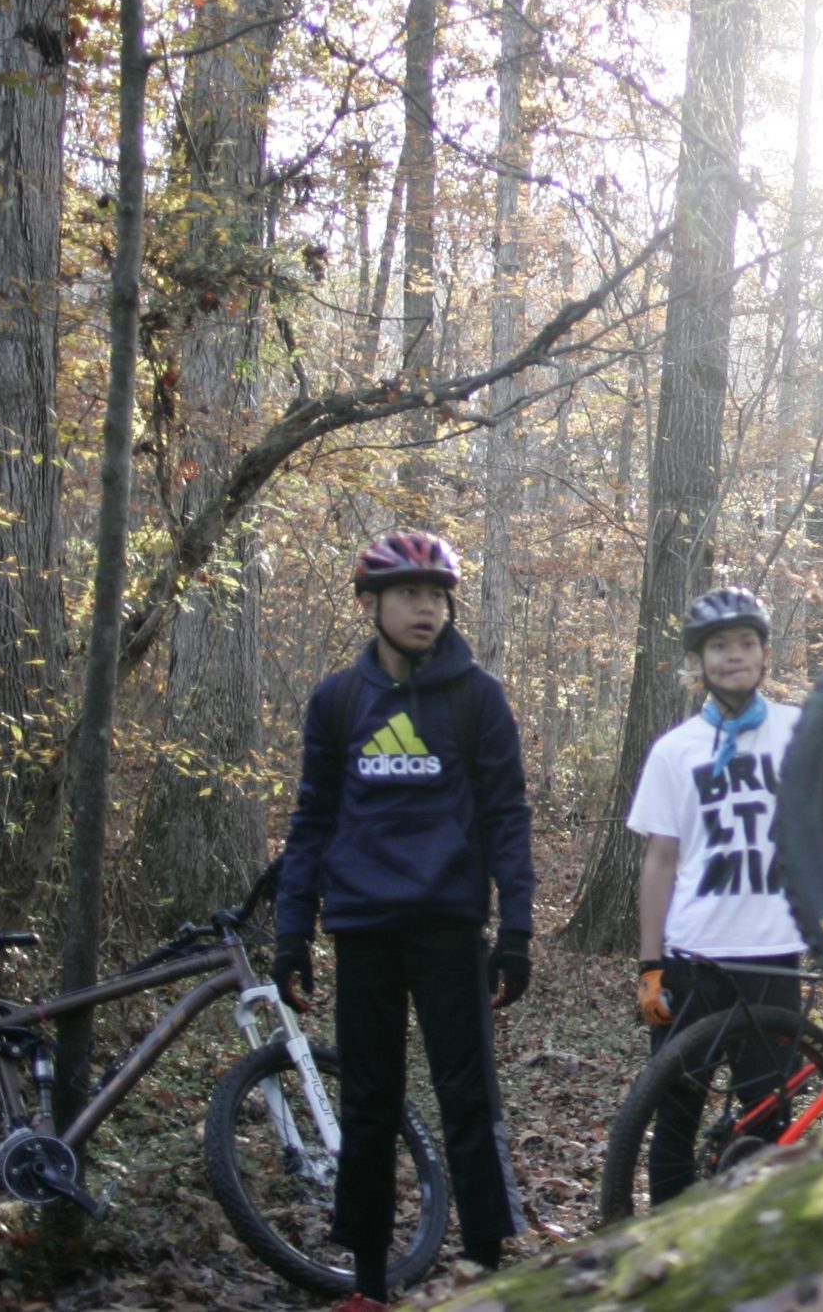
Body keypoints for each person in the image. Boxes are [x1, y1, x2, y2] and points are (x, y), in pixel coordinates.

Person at [274, 531, 535, 1312]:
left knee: (468, 1096)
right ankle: (368, 1279)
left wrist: (516, 930)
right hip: (362, 928)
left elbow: (506, 815)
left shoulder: (476, 695)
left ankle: (485, 1262)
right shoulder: (338, 699)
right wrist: (293, 930)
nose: (427, 607)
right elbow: (313, 818)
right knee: (368, 1102)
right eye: (409, 594)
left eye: (437, 594)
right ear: (371, 604)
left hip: (450, 927)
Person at [625, 585, 823, 1203]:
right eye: (719, 646)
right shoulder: (675, 751)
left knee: (769, 1117)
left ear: (764, 654)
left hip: (773, 957)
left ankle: (748, 1236)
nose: (733, 656)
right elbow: (660, 861)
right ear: (698, 661)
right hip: (694, 957)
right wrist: (650, 965)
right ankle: (660, 1248)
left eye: (745, 643)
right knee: (675, 1113)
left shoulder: (800, 733)